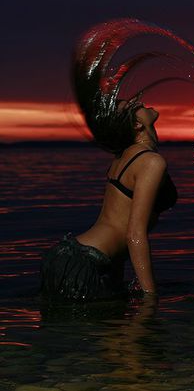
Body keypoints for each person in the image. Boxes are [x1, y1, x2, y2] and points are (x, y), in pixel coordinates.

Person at [40, 99, 177, 301]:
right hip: (84, 262)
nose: (141, 101)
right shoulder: (150, 162)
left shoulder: (123, 158)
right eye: (135, 105)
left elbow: (117, 231)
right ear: (136, 124)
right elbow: (134, 234)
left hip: (71, 257)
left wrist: (117, 287)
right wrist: (150, 299)